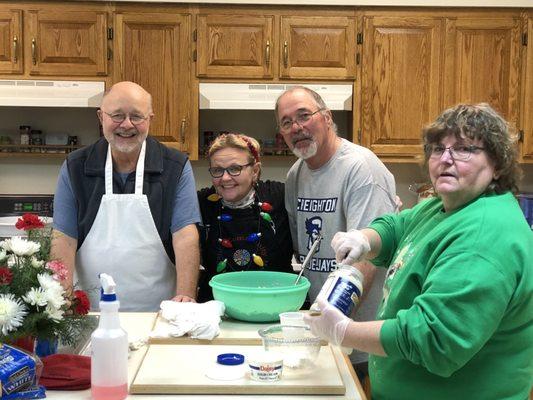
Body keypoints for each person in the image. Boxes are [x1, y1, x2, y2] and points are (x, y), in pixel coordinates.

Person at [305, 103, 533, 399]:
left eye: (463, 149)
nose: (445, 160)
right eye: (438, 149)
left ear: (498, 163)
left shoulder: (483, 236)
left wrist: (343, 332)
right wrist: (364, 238)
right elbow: (399, 226)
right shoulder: (445, 205)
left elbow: (433, 339)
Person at [275, 86, 397, 376]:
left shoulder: (361, 169)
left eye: (304, 115)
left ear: (326, 118)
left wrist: (335, 323)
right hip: (323, 330)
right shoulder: (296, 174)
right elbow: (302, 249)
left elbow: (365, 259)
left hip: (359, 336)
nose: (297, 127)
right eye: (287, 122)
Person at [51, 81, 201, 311]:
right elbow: (64, 238)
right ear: (101, 117)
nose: (127, 125)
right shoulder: (75, 166)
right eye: (117, 116)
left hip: (159, 314)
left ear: (150, 118)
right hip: (89, 313)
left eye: (137, 116)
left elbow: (185, 236)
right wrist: (62, 300)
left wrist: (185, 298)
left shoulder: (175, 166)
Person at [197, 133, 293, 301]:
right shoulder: (201, 203)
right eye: (217, 170)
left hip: (276, 305)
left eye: (235, 169)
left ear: (255, 171)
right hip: (216, 310)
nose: (225, 178)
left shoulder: (281, 196)